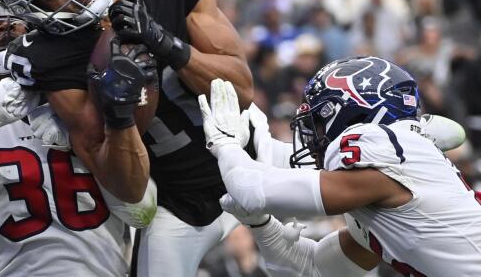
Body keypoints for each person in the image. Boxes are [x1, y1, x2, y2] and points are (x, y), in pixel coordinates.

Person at [0, 0, 254, 276]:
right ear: (33, 12)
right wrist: (119, 113)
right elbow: (129, 188)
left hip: (253, 154)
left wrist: (164, 43)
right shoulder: (48, 59)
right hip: (180, 209)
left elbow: (243, 91)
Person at [0, 0, 157, 277]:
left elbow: (140, 211)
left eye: (18, 20)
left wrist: (88, 133)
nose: (7, 26)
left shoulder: (91, 101)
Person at [199, 56, 481, 276]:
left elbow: (252, 190)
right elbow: (313, 270)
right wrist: (261, 224)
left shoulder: (382, 148)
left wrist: (225, 145)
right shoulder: (391, 175)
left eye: (319, 122)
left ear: (354, 114)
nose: (313, 136)